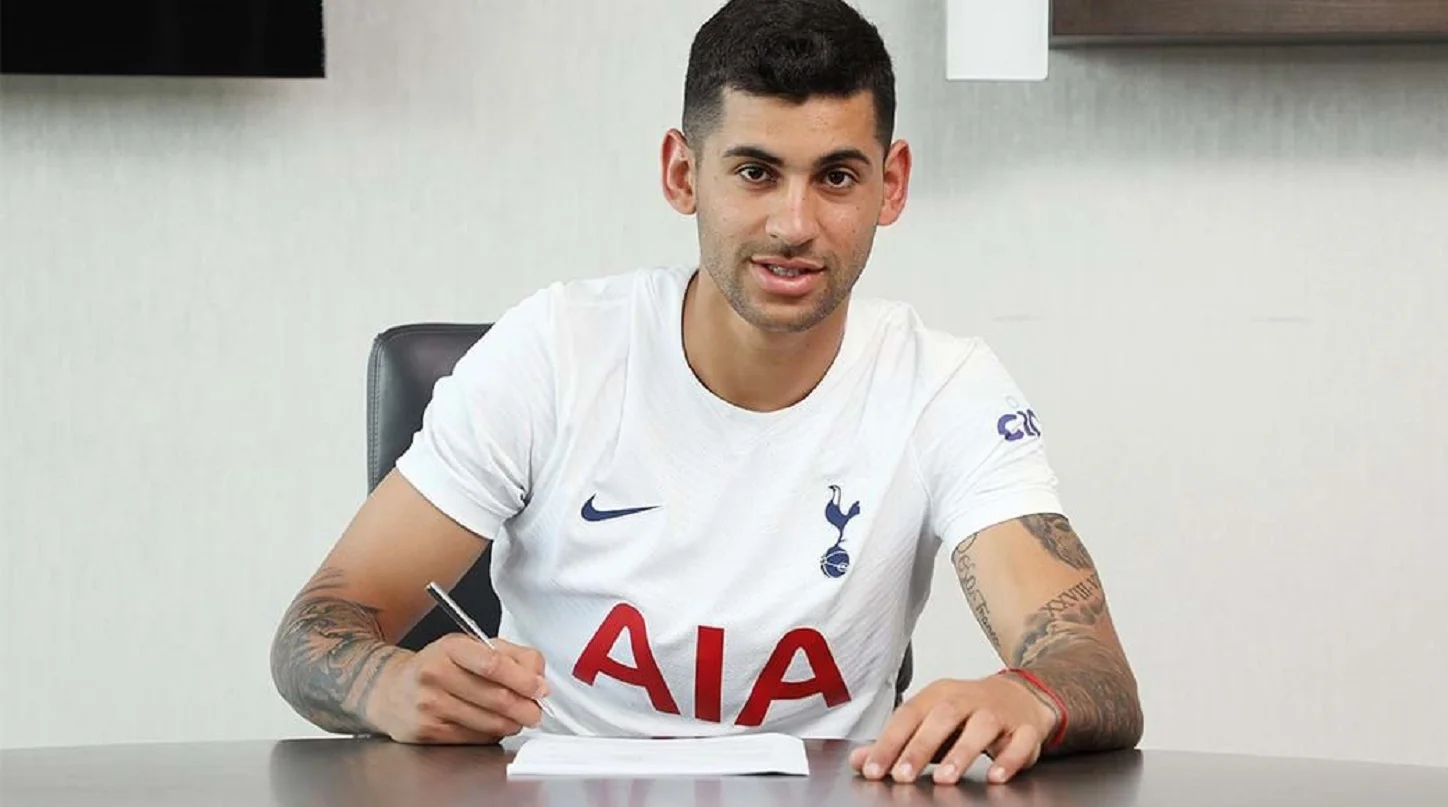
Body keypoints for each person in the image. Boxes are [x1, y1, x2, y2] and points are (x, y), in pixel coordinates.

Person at [269, 0, 1143, 786]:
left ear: (892, 183)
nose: (794, 225)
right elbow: (317, 624)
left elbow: (1090, 665)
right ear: (682, 174)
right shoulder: (552, 352)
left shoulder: (943, 385)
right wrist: (387, 683)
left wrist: (1029, 694)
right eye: (755, 172)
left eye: (836, 176)